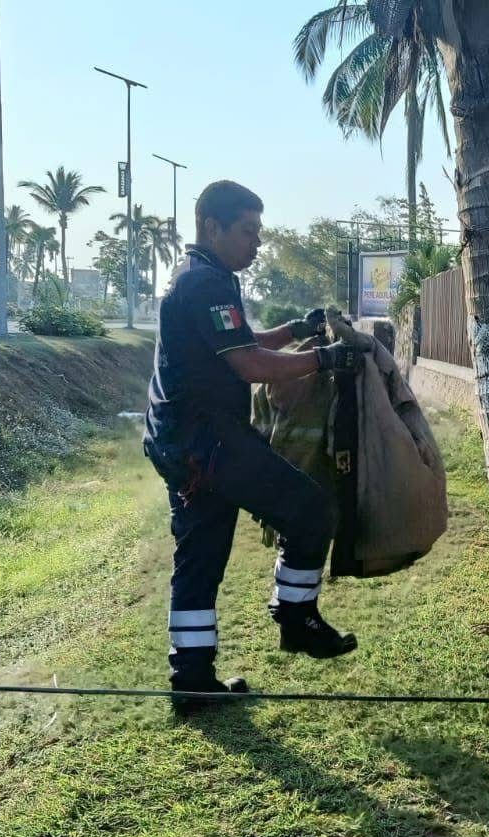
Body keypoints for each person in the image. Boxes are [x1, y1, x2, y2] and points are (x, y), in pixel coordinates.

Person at [143, 179, 359, 712]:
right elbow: (252, 367)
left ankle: (191, 681)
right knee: (311, 510)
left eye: (258, 231)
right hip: (206, 441)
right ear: (211, 227)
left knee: (201, 557)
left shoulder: (203, 276)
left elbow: (242, 343)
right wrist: (323, 359)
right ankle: (295, 618)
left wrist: (294, 330)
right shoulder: (206, 285)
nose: (257, 242)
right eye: (248, 231)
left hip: (181, 441)